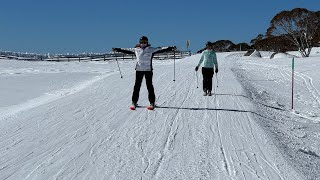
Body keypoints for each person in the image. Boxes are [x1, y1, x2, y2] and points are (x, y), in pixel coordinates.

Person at [112, 36, 176, 109]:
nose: (143, 44)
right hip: (139, 70)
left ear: (147, 42)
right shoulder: (136, 49)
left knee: (149, 86)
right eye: (142, 42)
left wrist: (171, 48)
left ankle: (152, 103)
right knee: (137, 86)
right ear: (139, 42)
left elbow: (161, 49)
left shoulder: (151, 49)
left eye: (145, 42)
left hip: (148, 70)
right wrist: (117, 49)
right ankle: (134, 102)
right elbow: (126, 50)